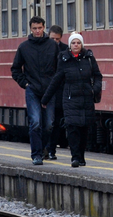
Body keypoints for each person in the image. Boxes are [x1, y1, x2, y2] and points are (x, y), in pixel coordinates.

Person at [41, 33, 102, 168]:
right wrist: (45, 98)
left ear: (82, 45)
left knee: (84, 128)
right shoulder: (64, 59)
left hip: (86, 98)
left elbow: (97, 76)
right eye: (73, 43)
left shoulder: (89, 58)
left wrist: (95, 89)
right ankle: (75, 157)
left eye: (78, 43)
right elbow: (56, 79)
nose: (76, 45)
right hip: (70, 99)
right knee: (72, 128)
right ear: (69, 45)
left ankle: (81, 156)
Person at [11, 16, 60, 166]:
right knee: (35, 122)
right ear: (30, 29)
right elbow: (15, 69)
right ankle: (36, 154)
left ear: (44, 27)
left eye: (39, 28)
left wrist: (55, 84)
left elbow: (59, 68)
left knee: (49, 124)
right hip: (32, 89)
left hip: (49, 90)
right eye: (34, 28)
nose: (37, 31)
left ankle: (43, 147)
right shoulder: (24, 47)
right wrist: (25, 84)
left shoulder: (52, 45)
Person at [45, 25, 68, 160]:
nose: (55, 42)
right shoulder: (42, 49)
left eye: (57, 39)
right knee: (47, 123)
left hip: (59, 91)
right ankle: (46, 148)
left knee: (56, 123)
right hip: (46, 90)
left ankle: (52, 149)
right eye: (52, 38)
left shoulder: (65, 50)